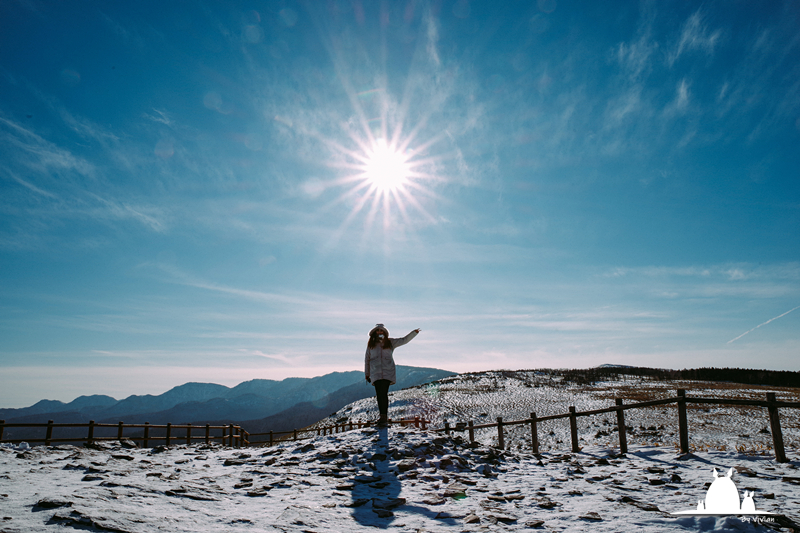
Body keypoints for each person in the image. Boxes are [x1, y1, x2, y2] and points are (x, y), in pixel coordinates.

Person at [364, 323, 420, 427]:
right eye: (377, 331)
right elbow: (367, 360)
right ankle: (382, 416)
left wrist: (414, 333)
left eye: (381, 331)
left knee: (383, 394)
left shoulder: (390, 342)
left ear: (385, 332)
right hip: (375, 373)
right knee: (379, 395)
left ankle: (383, 417)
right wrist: (367, 374)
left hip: (387, 372)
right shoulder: (371, 345)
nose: (379, 332)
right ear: (374, 333)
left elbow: (404, 340)